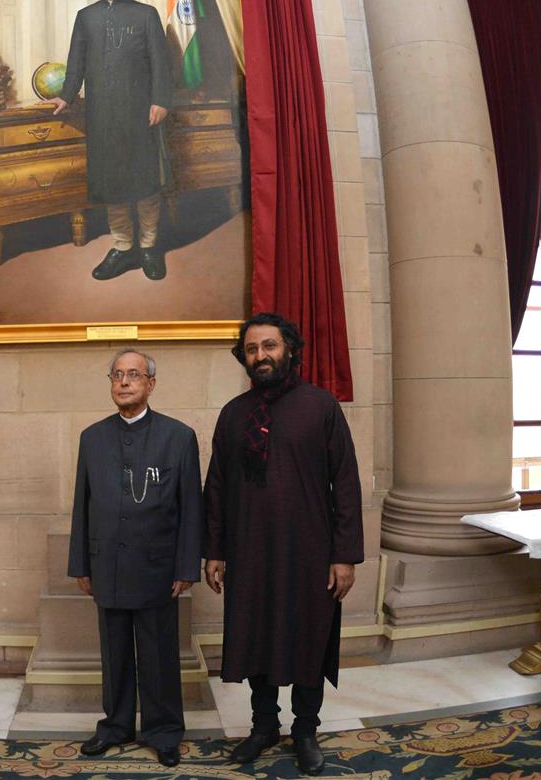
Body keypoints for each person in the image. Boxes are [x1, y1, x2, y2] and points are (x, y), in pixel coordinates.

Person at [202, 313, 364, 776]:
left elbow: (346, 484)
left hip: (311, 551)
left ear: (289, 348)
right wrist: (214, 550)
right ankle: (263, 726)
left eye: (269, 346)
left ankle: (306, 730)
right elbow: (215, 486)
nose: (261, 356)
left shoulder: (321, 406)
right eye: (252, 349)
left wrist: (343, 555)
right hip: (249, 550)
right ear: (244, 357)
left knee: (308, 637)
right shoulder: (233, 414)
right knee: (256, 634)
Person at [67, 348, 202, 768]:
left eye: (134, 375)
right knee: (115, 652)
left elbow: (191, 510)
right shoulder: (92, 437)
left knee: (159, 655)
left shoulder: (178, 437)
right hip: (106, 564)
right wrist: (81, 565)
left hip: (159, 567)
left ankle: (163, 731)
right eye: (117, 376)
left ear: (150, 384)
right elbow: (82, 505)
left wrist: (186, 566)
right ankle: (117, 726)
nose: (124, 382)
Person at [45, 0, 175, 282]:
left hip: (141, 113)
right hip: (102, 115)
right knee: (112, 182)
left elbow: (161, 62)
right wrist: (66, 94)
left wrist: (161, 100)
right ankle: (123, 246)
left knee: (145, 182)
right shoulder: (86, 17)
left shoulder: (146, 14)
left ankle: (148, 247)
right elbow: (75, 63)